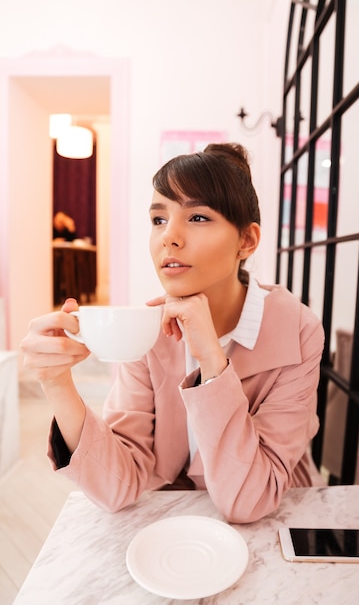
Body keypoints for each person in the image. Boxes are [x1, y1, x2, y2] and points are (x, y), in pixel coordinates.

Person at [21, 143, 324, 524]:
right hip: (176, 525)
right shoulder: (149, 329)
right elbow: (118, 484)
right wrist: (57, 383)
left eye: (197, 218)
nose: (170, 237)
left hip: (278, 519)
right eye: (159, 219)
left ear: (246, 241)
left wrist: (213, 361)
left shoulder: (297, 330)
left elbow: (250, 500)